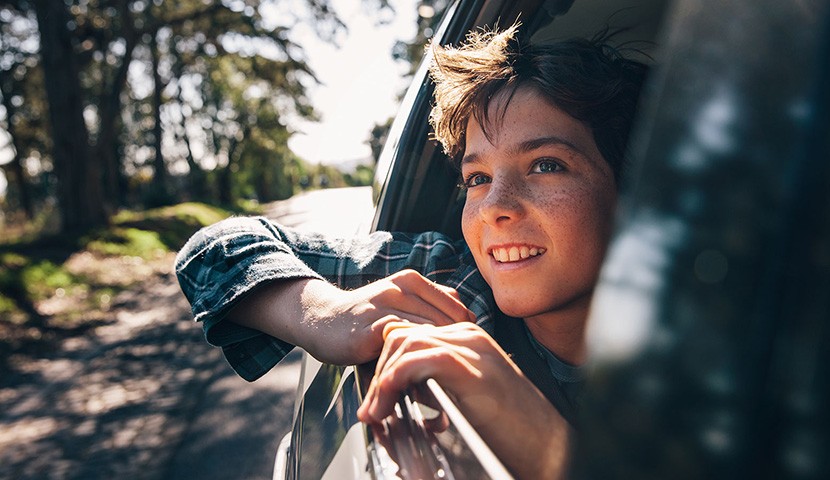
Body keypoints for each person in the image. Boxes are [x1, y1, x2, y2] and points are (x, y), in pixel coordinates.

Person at [175, 23, 646, 479]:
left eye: (546, 165)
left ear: (637, 194)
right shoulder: (443, 282)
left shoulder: (708, 360)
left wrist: (551, 452)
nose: (494, 208)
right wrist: (327, 312)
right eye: (477, 178)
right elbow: (213, 252)